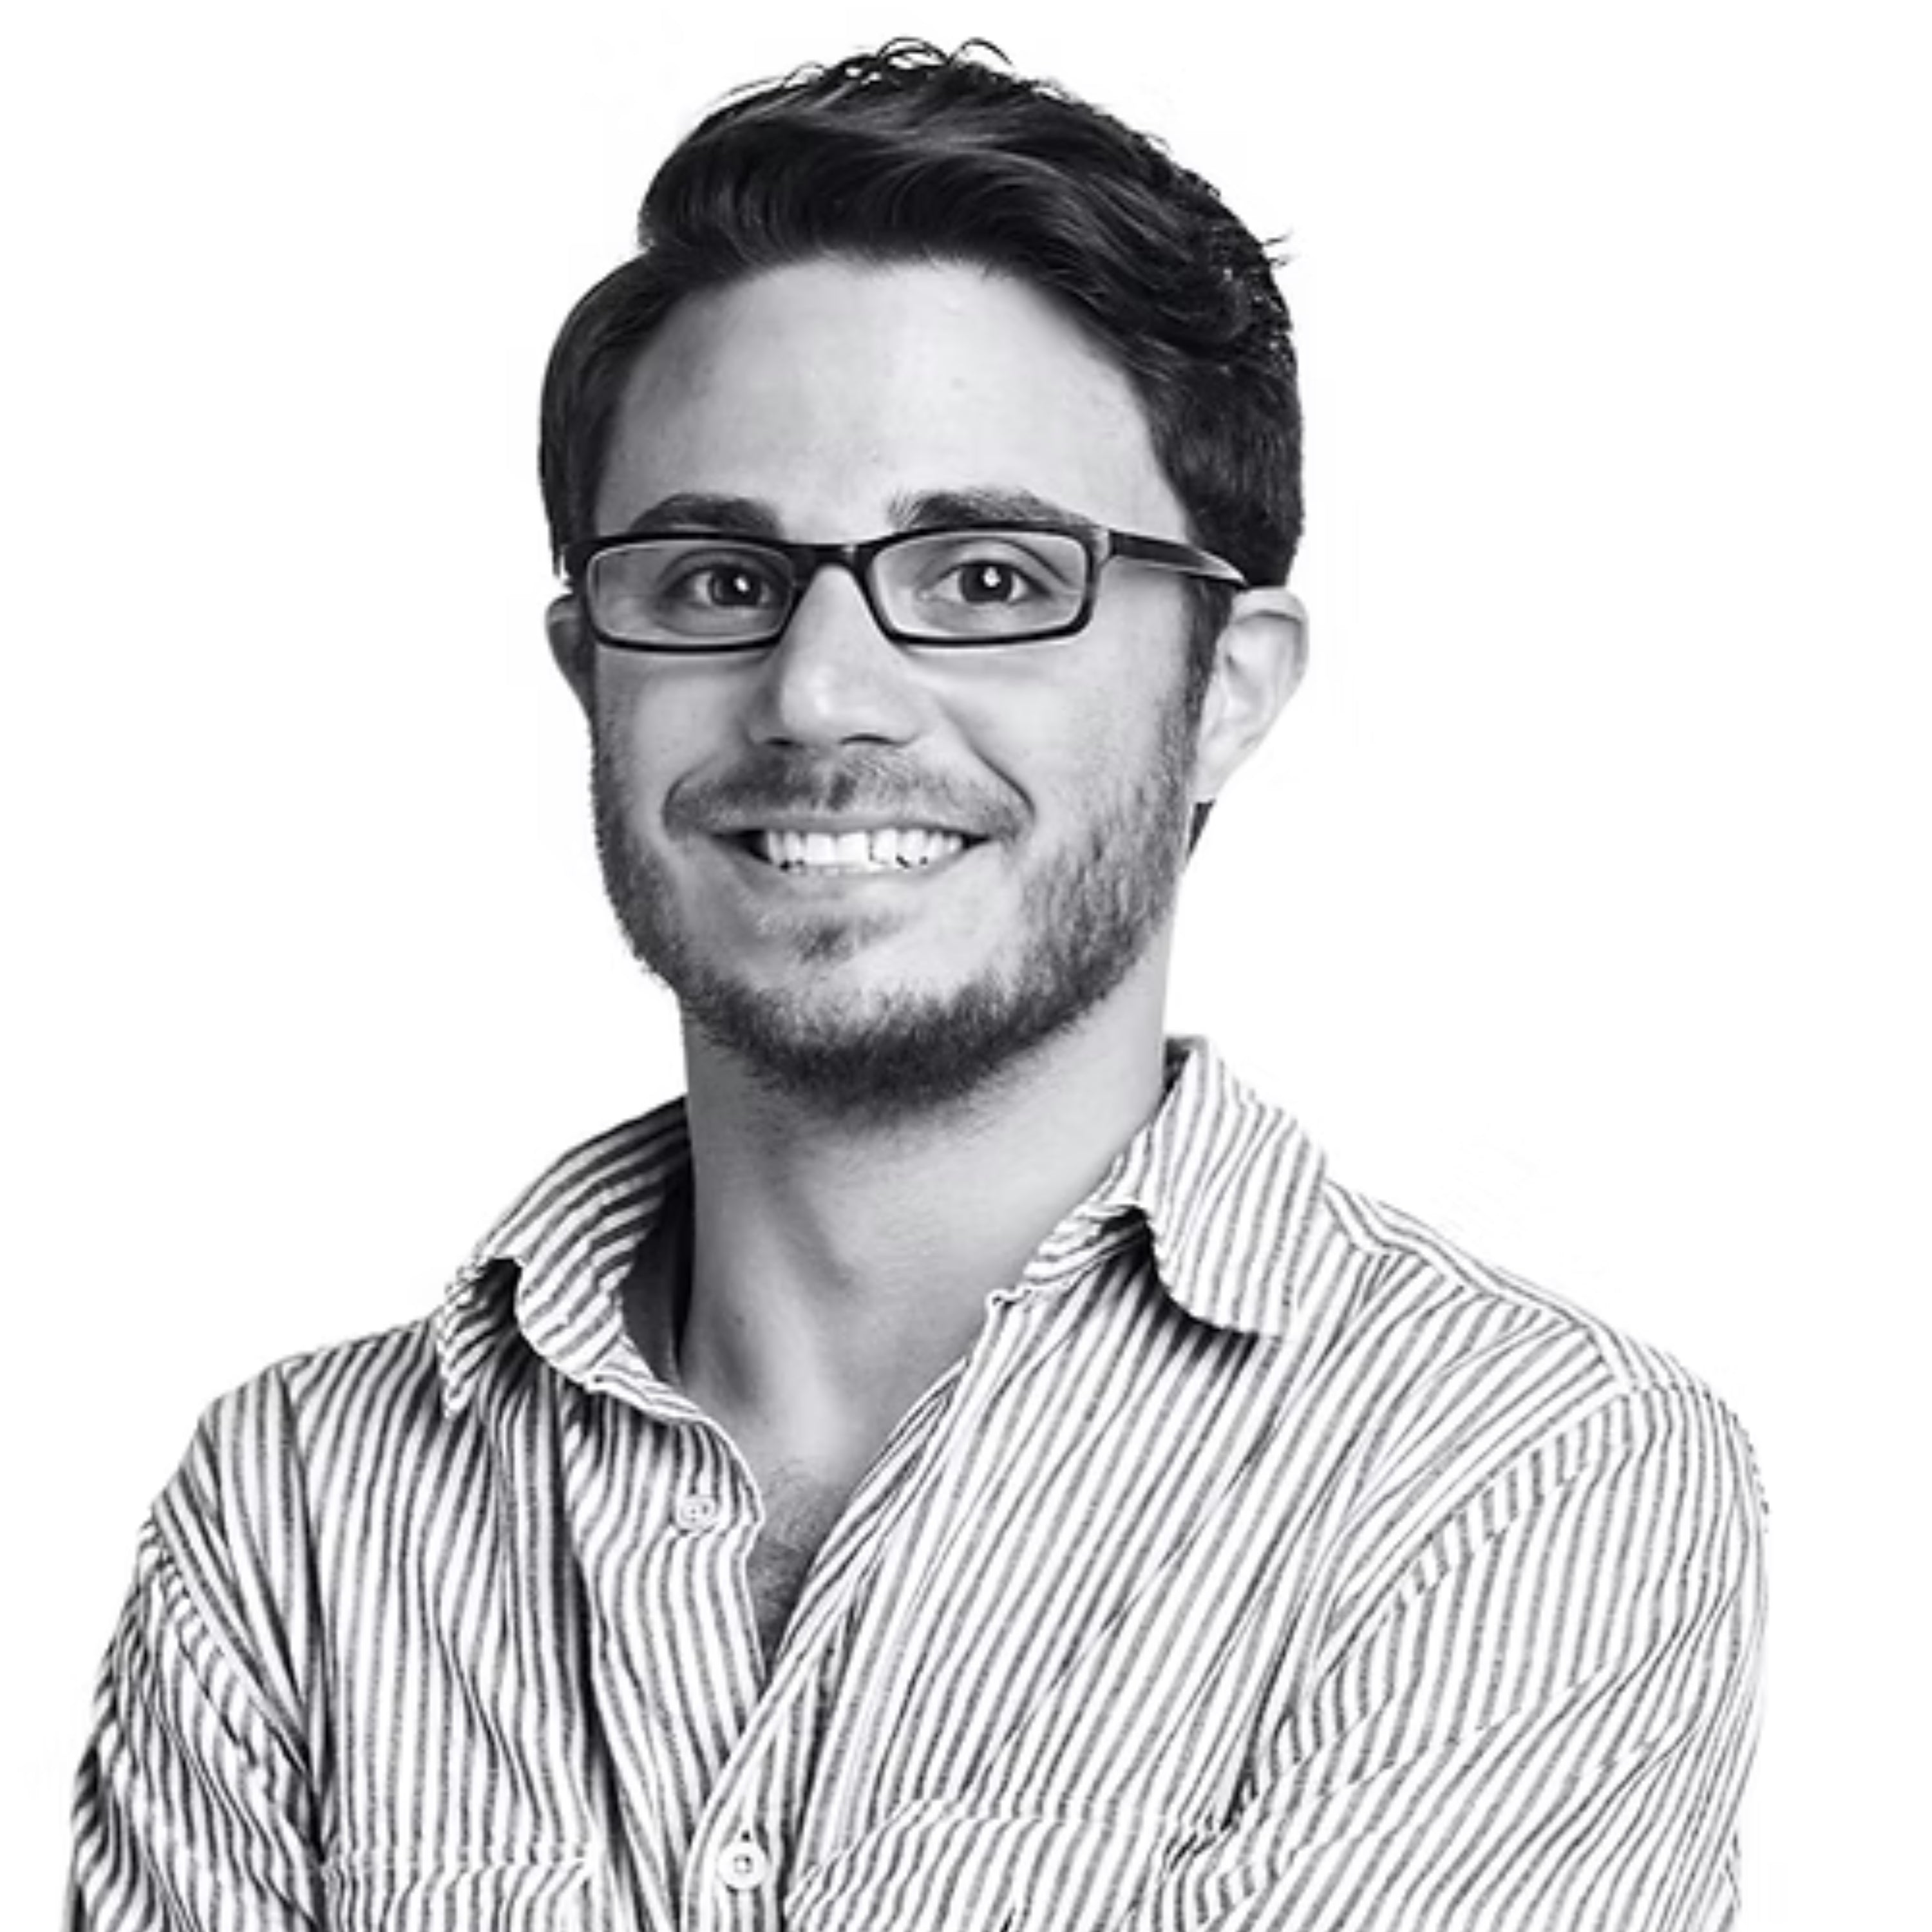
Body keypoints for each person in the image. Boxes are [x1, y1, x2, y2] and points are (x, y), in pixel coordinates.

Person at [69, 40, 1765, 1932]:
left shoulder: (1521, 1477)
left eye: (985, 579)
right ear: (590, 676)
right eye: (720, 583)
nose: (820, 695)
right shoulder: (299, 1514)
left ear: (1226, 689)